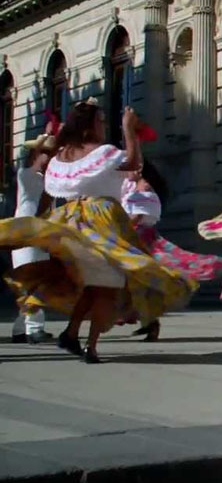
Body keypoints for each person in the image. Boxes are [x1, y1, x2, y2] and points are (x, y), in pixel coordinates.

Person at [0, 99, 196, 363]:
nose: (103, 125)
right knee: (107, 284)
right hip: (99, 222)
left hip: (71, 224)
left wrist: (42, 227)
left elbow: (49, 194)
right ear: (87, 126)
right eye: (100, 120)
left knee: (97, 285)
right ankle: (88, 345)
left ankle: (73, 335)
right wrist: (129, 131)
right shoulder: (102, 152)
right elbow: (134, 164)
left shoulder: (61, 158)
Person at [122, 162, 222, 340]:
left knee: (151, 275)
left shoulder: (144, 187)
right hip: (136, 236)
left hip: (140, 238)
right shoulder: (130, 185)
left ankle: (149, 322)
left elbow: (139, 215)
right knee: (138, 281)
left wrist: (120, 228)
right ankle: (148, 321)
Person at [9, 133, 56, 344]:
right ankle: (34, 328)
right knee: (32, 281)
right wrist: (40, 145)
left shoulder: (50, 181)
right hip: (24, 233)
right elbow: (29, 156)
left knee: (33, 281)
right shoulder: (26, 174)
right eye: (44, 153)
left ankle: (20, 328)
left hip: (41, 233)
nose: (48, 157)